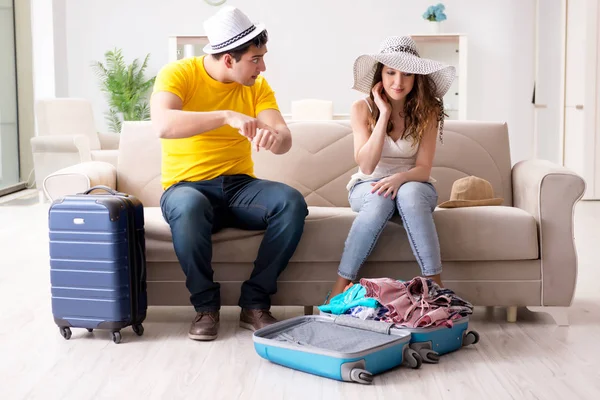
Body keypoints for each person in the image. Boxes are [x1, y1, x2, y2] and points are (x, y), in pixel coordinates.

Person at [150, 6, 308, 341]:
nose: (262, 67)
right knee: (190, 208)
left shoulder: (257, 87)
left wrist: (275, 136)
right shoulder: (178, 74)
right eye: (255, 59)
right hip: (185, 188)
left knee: (291, 202)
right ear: (227, 59)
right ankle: (206, 308)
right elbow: (163, 125)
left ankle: (255, 302)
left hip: (238, 189)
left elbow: (285, 140)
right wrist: (225, 116)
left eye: (263, 57)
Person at [326, 36, 456, 301]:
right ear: (380, 75)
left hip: (415, 185)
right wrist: (383, 113)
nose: (399, 82)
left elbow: (423, 168)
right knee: (380, 199)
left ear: (417, 77)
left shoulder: (428, 110)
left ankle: (436, 290)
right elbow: (366, 165)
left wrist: (399, 179)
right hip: (367, 185)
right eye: (391, 72)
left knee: (406, 194)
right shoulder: (361, 108)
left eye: (407, 74)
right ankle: (339, 288)